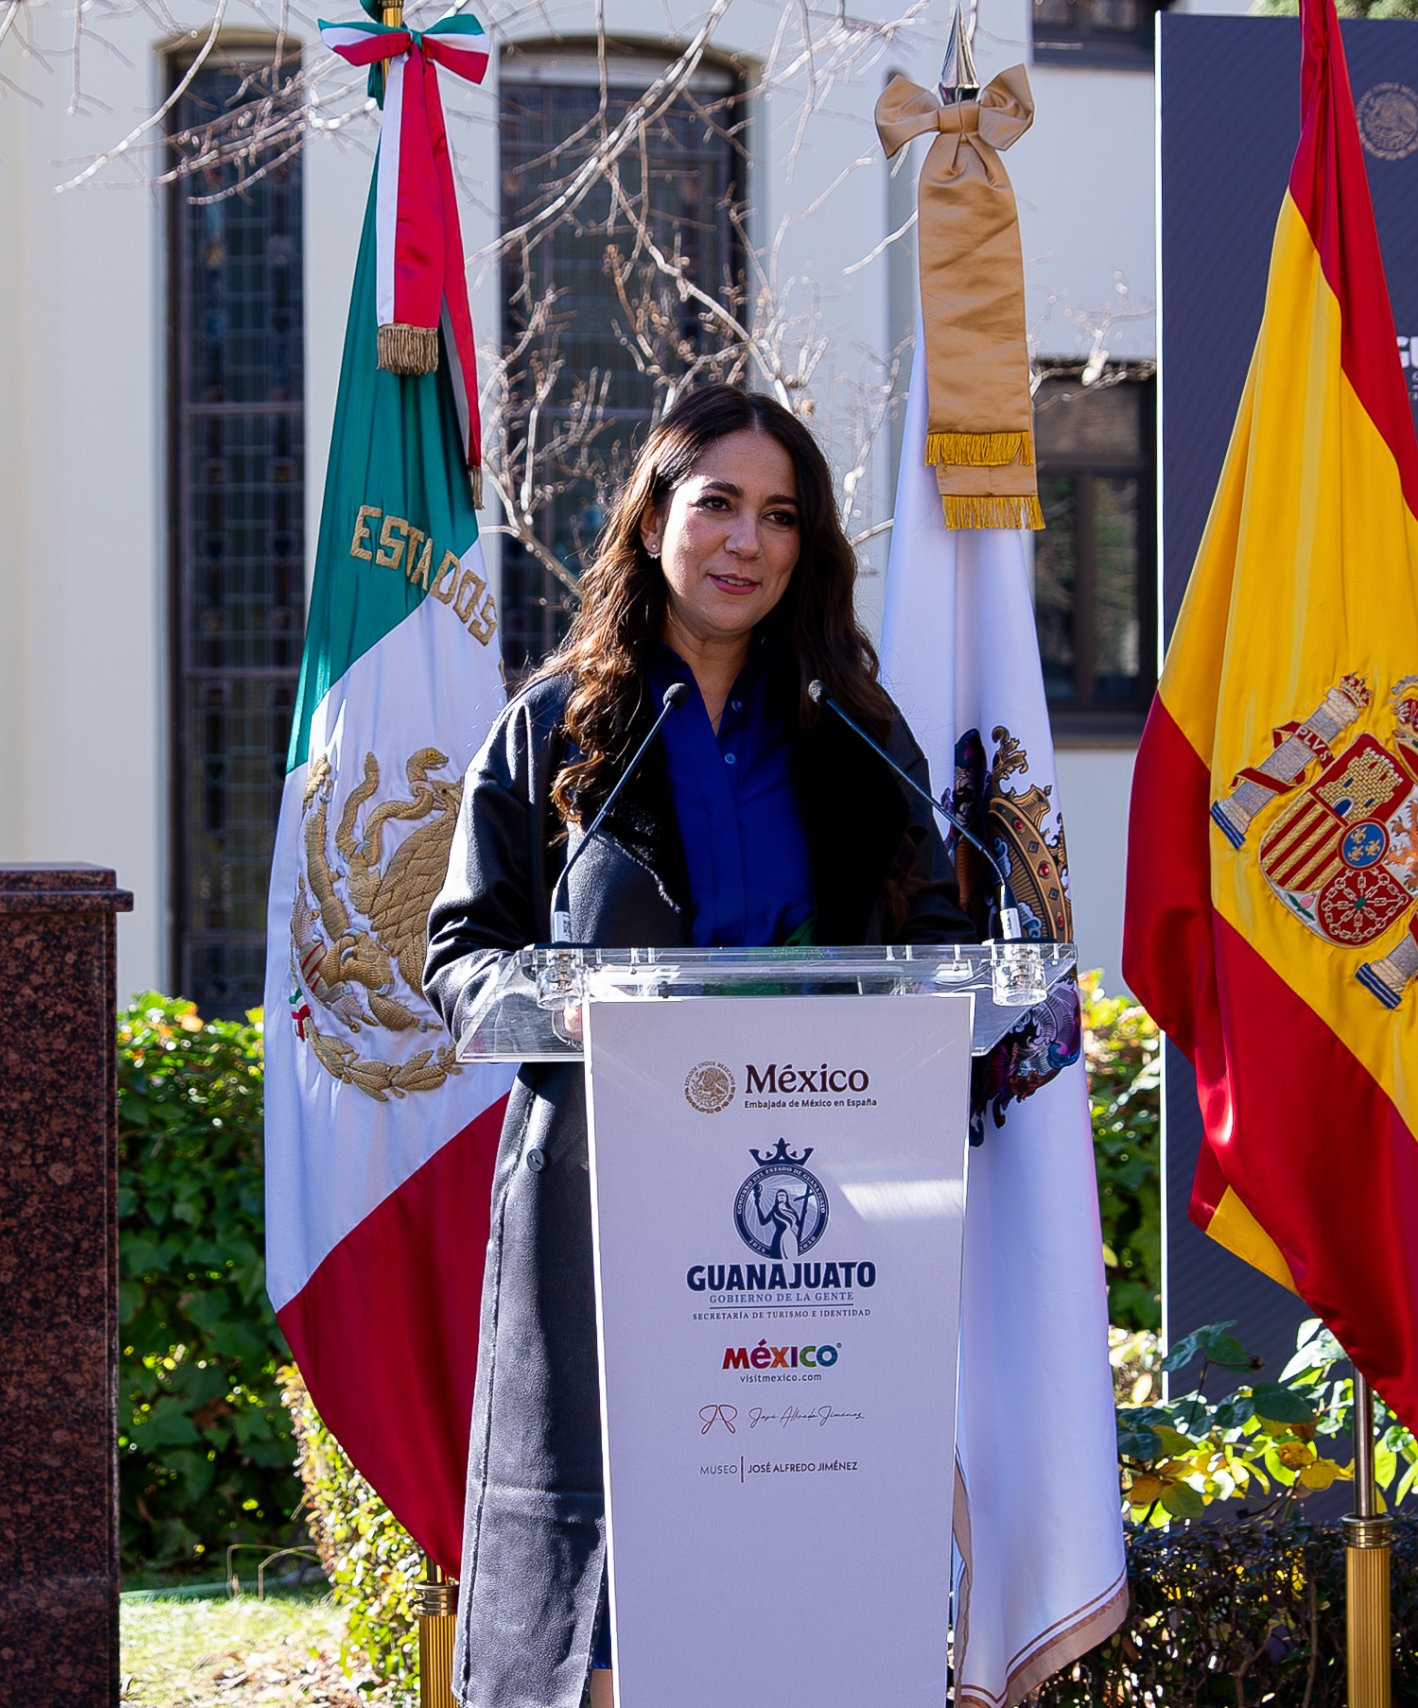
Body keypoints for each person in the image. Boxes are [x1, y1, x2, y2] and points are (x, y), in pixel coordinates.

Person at [424, 385, 968, 1708]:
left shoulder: (857, 731)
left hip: (819, 1227)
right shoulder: (556, 731)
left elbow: (940, 940)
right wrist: (567, 1004)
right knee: (610, 1606)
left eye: (780, 516)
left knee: (795, 1576)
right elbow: (461, 959)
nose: (746, 541)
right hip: (602, 1207)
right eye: (717, 503)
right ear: (653, 516)